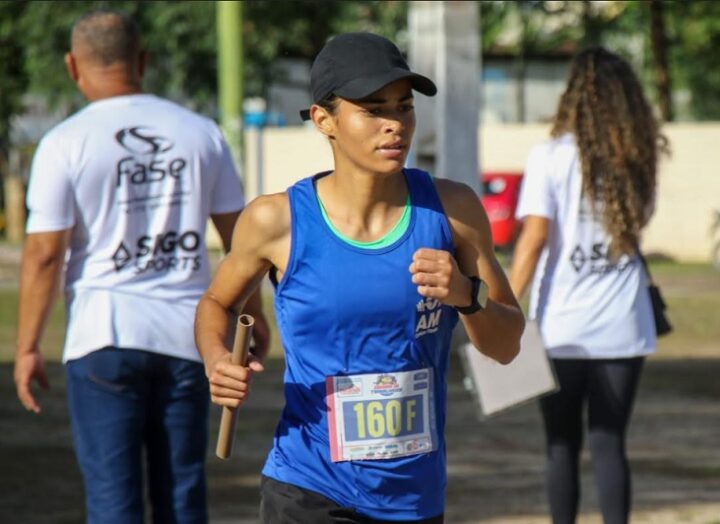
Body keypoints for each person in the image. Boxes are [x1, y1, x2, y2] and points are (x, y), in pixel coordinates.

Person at [194, 32, 525, 523]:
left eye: (404, 107)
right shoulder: (276, 221)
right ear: (324, 120)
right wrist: (217, 359)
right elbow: (215, 305)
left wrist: (466, 295)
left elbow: (508, 348)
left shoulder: (452, 211)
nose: (395, 125)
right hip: (307, 488)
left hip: (412, 497)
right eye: (373, 110)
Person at [13, 10, 268, 524]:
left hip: (103, 337)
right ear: (144, 61)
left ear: (71, 65)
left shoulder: (64, 142)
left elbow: (44, 255)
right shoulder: (201, 134)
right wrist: (254, 316)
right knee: (183, 498)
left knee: (113, 503)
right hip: (187, 338)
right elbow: (242, 242)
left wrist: (26, 347)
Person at [508, 47, 666, 524]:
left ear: (574, 95)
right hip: (624, 323)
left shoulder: (551, 156)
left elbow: (534, 239)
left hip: (562, 327)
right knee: (609, 442)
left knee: (560, 445)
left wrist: (503, 302)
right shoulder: (640, 157)